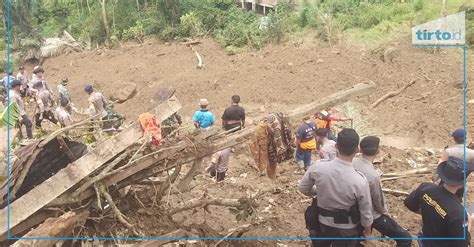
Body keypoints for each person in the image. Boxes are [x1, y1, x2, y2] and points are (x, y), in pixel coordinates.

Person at [299, 128, 373, 247]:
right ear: (357, 150)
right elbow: (366, 213)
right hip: (347, 230)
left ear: (337, 146)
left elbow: (303, 188)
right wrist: (367, 232)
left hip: (322, 224)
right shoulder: (360, 181)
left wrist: (320, 191)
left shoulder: (319, 167)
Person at [353, 136, 412, 247]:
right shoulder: (372, 176)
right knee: (405, 238)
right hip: (371, 214)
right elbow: (378, 201)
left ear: (360, 149)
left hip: (352, 210)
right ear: (377, 151)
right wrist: (386, 214)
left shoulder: (352, 162)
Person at [405, 156, 472, 247]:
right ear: (461, 184)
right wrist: (470, 221)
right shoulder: (458, 213)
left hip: (426, 240)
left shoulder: (425, 188)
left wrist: (431, 212)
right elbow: (462, 244)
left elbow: (409, 203)